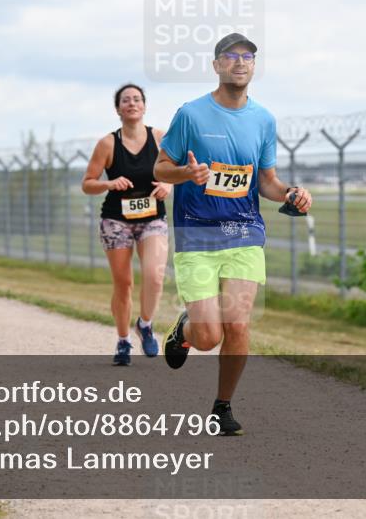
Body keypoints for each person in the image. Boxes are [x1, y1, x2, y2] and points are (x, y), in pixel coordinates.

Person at [154, 33, 312, 435]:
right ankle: (187, 329)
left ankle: (222, 406)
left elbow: (267, 183)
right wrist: (187, 173)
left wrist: (291, 192)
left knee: (238, 324)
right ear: (217, 65)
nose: (240, 63)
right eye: (231, 56)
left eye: (248, 57)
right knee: (209, 336)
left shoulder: (263, 119)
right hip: (197, 235)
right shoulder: (190, 114)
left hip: (244, 233)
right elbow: (160, 169)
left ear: (254, 66)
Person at [82, 84, 171, 366]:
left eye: (136, 99)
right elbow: (88, 183)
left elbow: (178, 172)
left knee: (155, 276)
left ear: (144, 106)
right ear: (118, 109)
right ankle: (122, 341)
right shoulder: (107, 144)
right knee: (124, 283)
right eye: (125, 100)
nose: (131, 103)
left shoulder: (160, 138)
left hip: (152, 217)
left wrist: (168, 183)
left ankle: (145, 324)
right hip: (116, 219)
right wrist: (109, 183)